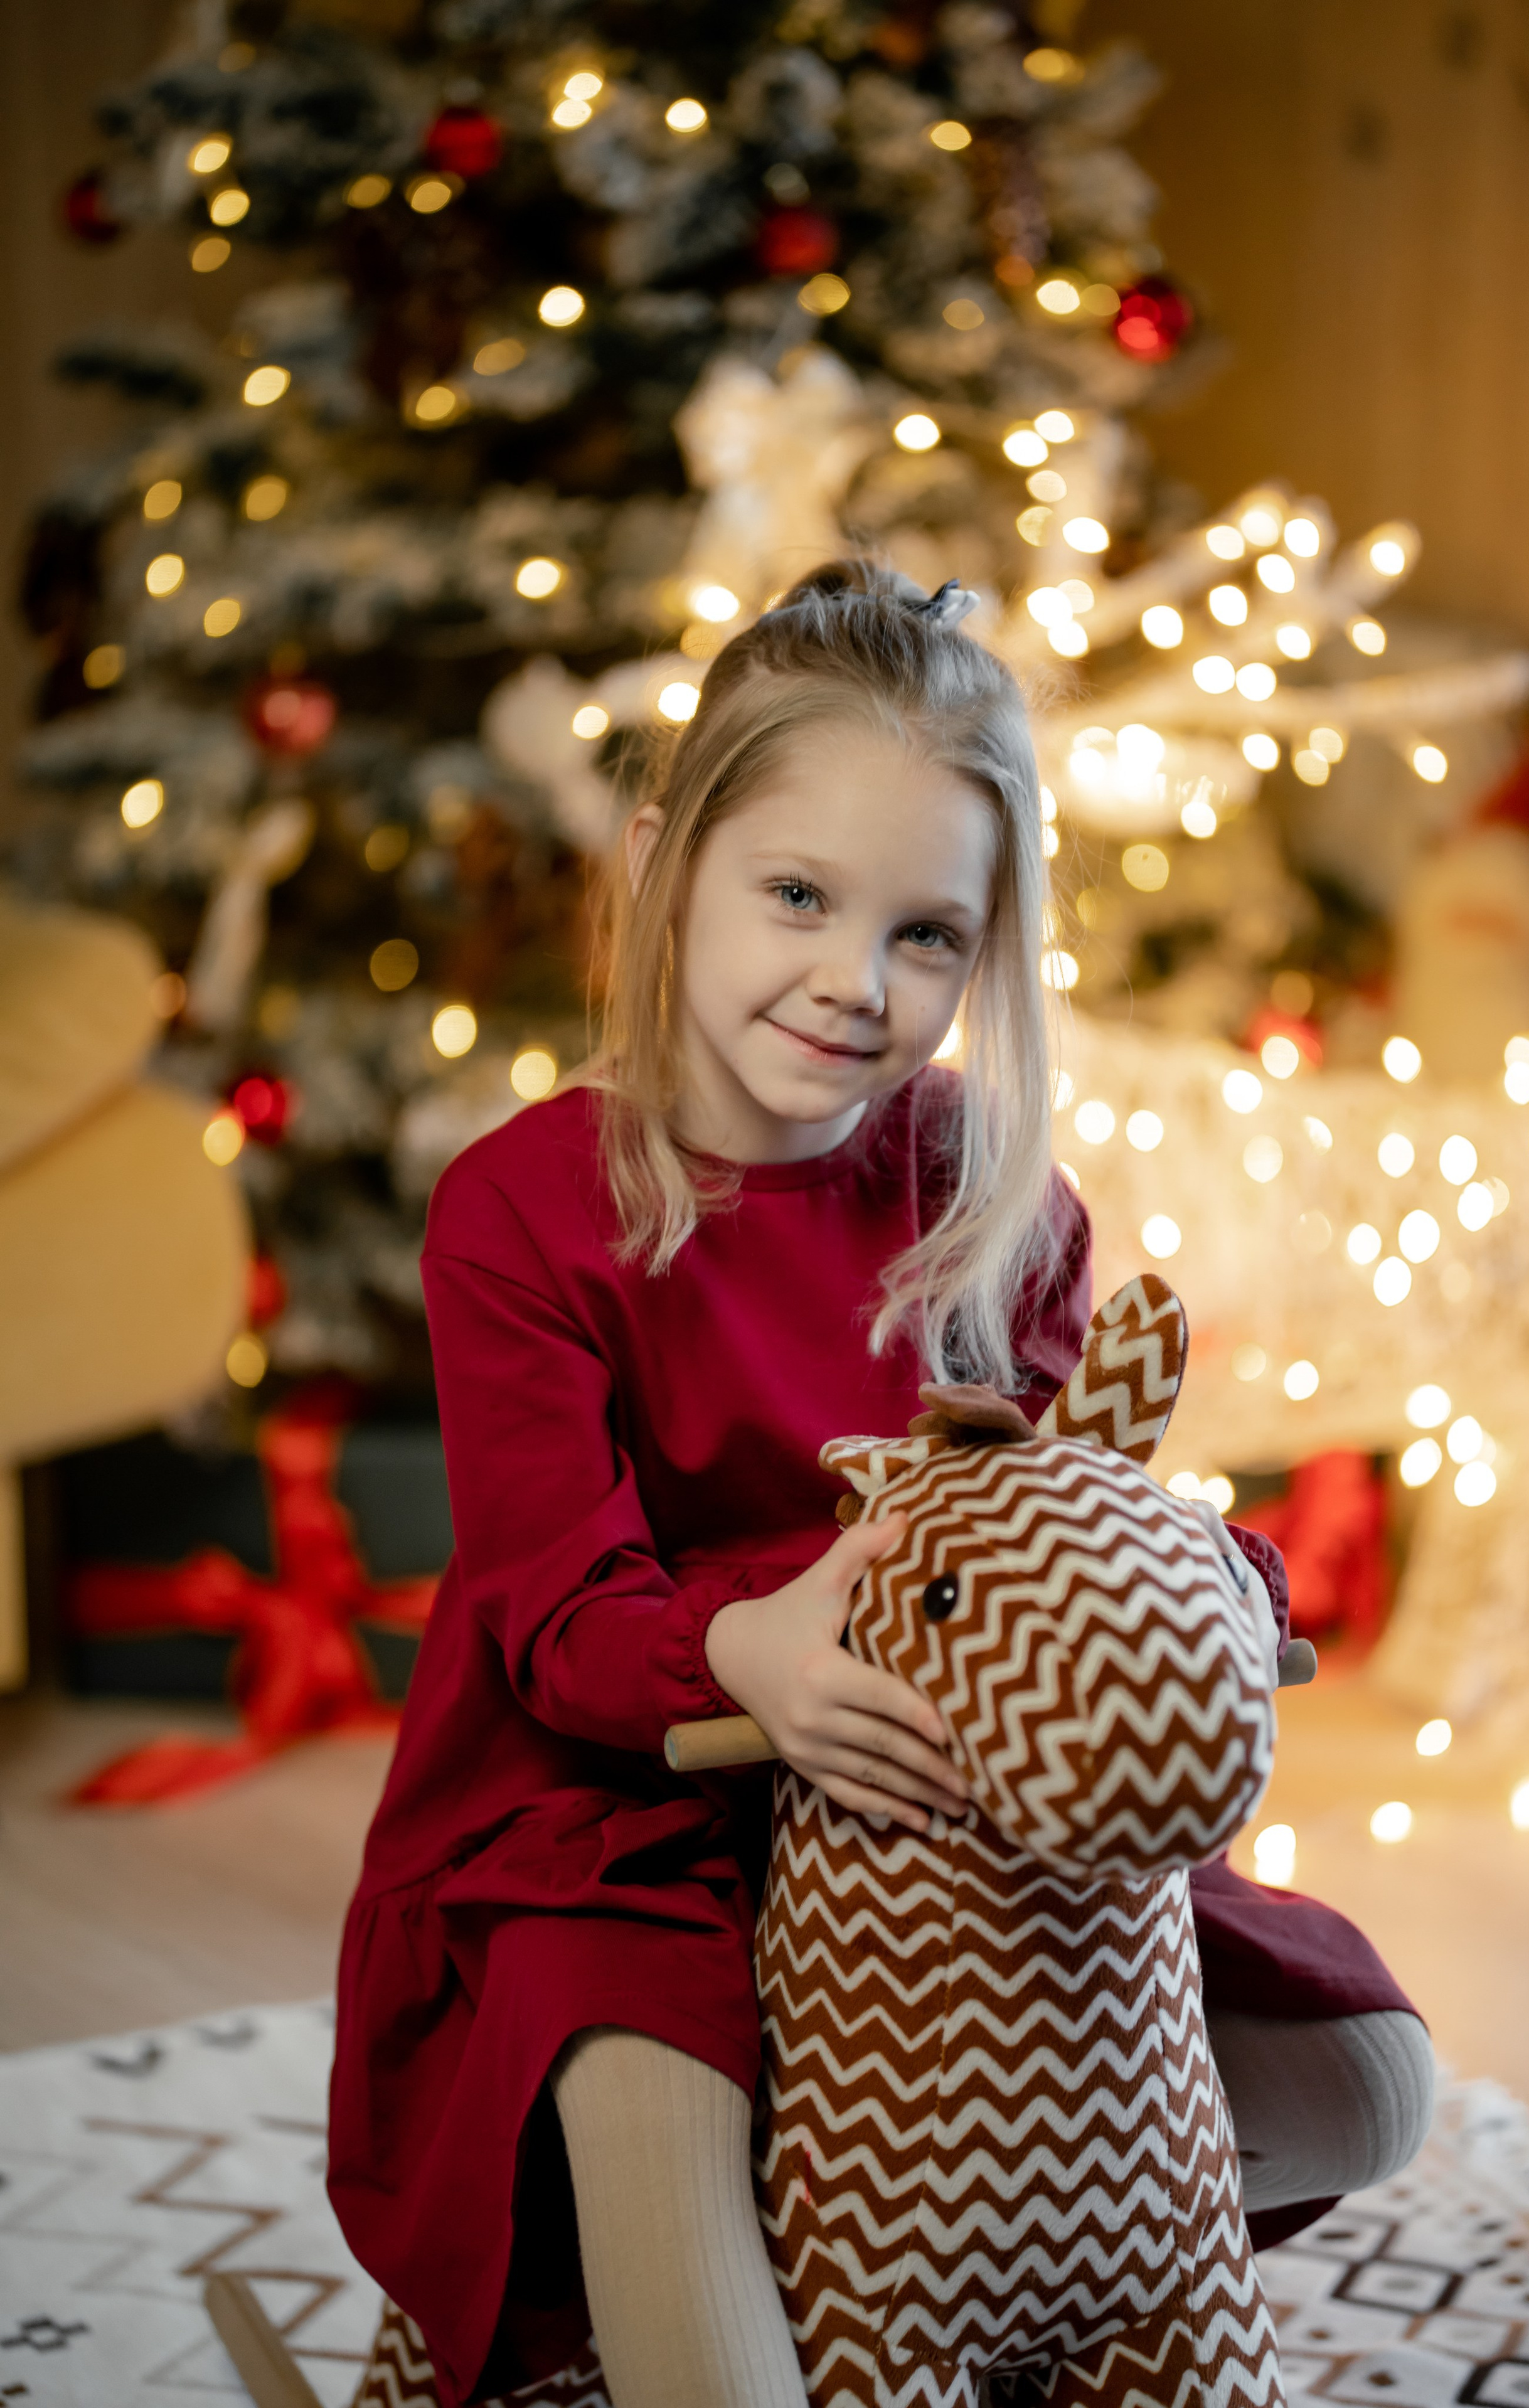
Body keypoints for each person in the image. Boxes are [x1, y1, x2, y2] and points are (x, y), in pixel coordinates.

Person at [328, 562, 1432, 2408]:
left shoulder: (991, 1200)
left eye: (929, 935)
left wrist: (1215, 1583)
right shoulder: (521, 1213)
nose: (856, 984)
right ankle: (691, 2288)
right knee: (688, 2260)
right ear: (668, 858)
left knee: (1368, 2087)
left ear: (990, 949)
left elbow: (1081, 1521)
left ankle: (965, 2268)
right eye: (796, 897)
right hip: (625, 1812)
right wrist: (747, 1651)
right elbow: (556, 1623)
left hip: (944, 1815)